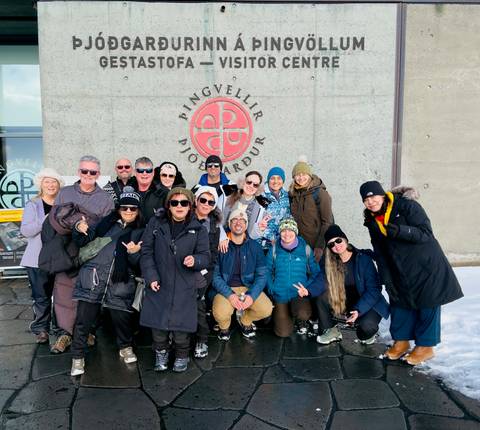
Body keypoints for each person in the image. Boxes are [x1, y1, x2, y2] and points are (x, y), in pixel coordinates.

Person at [360, 181, 463, 364]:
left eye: (374, 197)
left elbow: (425, 233)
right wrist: (385, 276)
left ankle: (425, 347)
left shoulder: (406, 205)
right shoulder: (372, 220)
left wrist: (400, 230)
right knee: (399, 304)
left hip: (425, 266)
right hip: (399, 268)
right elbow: (380, 250)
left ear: (382, 195)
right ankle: (401, 342)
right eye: (366, 199)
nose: (371, 202)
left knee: (427, 304)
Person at [70, 187, 144, 376]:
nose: (128, 211)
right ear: (118, 208)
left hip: (120, 282)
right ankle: (77, 357)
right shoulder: (104, 224)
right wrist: (79, 229)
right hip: (93, 276)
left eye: (133, 209)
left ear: (138, 211)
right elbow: (81, 242)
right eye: (125, 207)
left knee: (122, 318)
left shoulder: (141, 232)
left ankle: (125, 346)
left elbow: (140, 264)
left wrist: (134, 254)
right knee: (83, 321)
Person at [140, 188, 209, 372]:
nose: (179, 206)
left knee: (181, 327)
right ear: (168, 205)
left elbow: (206, 256)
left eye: (184, 203)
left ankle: (181, 355)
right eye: (175, 202)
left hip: (185, 283)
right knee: (158, 324)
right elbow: (146, 252)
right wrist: (151, 276)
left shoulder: (198, 228)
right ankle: (161, 353)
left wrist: (196, 260)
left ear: (190, 206)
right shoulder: (155, 224)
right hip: (160, 282)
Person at [50, 155, 114, 354]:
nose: (88, 175)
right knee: (63, 293)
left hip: (91, 252)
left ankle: (87, 331)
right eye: (84, 171)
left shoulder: (105, 199)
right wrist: (75, 225)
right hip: (65, 251)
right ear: (78, 172)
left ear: (98, 174)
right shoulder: (64, 193)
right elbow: (54, 220)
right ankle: (64, 334)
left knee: (88, 294)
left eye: (92, 172)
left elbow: (107, 229)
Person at [304, 224, 389, 345]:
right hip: (345, 301)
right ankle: (331, 330)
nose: (336, 246)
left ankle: (367, 332)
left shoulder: (363, 259)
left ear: (345, 239)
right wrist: (309, 291)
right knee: (321, 296)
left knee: (366, 329)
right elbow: (322, 279)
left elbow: (374, 290)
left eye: (338, 240)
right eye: (331, 244)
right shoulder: (330, 261)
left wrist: (358, 310)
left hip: (367, 303)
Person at [212, 209, 273, 340]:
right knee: (220, 313)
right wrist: (230, 295)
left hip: (248, 287)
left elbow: (262, 275)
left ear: (246, 225)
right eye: (234, 220)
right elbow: (215, 276)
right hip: (227, 287)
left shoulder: (255, 247)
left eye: (242, 220)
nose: (238, 223)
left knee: (266, 309)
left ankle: (245, 321)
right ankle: (224, 327)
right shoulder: (221, 246)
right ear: (229, 223)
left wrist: (251, 296)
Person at [20, 168, 64, 344]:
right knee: (41, 296)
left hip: (60, 258)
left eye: (54, 181)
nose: (51, 185)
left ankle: (61, 329)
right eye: (47, 181)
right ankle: (41, 329)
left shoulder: (63, 204)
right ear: (41, 184)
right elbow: (26, 230)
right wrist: (47, 218)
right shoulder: (33, 204)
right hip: (37, 259)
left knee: (61, 296)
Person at [266, 217, 320, 337]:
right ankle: (285, 315)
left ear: (295, 232)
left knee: (303, 313)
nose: (287, 234)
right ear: (280, 232)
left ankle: (301, 320)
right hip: (280, 294)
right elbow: (267, 270)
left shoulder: (305, 249)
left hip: (299, 294)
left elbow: (316, 272)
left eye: (290, 230)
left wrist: (306, 287)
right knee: (283, 333)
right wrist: (271, 287)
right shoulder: (274, 249)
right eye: (283, 230)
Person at [192, 185, 226, 358]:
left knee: (197, 300)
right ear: (196, 201)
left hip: (204, 270)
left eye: (210, 201)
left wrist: (203, 272)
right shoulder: (184, 218)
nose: (206, 204)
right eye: (203, 200)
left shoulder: (214, 226)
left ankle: (202, 339)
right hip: (182, 268)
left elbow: (213, 255)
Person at [289, 159, 333, 262]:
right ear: (294, 177)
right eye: (297, 175)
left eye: (304, 174)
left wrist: (319, 246)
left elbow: (327, 222)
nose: (301, 178)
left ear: (310, 175)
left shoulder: (319, 193)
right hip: (299, 247)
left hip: (317, 248)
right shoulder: (293, 194)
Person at [223, 171, 270, 241]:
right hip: (224, 241)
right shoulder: (229, 196)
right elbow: (219, 223)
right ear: (243, 182)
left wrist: (259, 229)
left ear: (258, 188)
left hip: (245, 245)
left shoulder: (260, 207)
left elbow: (252, 235)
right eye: (249, 182)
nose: (251, 186)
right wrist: (222, 238)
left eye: (255, 185)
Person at [258, 167, 291, 252]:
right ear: (268, 180)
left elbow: (289, 218)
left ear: (283, 180)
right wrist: (270, 238)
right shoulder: (260, 196)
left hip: (283, 244)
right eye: (272, 178)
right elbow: (255, 222)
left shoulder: (287, 196)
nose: (276, 182)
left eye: (279, 178)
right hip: (263, 245)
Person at [131, 157, 163, 223]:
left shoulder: (163, 193)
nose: (144, 173)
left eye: (148, 171)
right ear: (134, 172)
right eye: (140, 170)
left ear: (153, 172)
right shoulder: (127, 192)